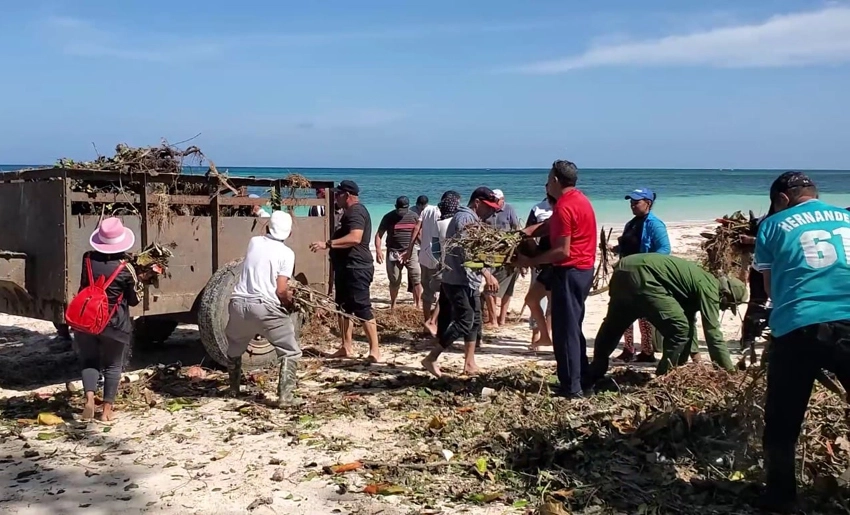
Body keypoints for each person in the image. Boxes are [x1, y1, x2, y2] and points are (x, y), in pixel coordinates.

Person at [752, 172, 850, 512]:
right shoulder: (846, 217)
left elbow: (771, 289)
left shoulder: (772, 225)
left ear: (782, 199)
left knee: (782, 421)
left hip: (799, 325)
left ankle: (782, 500)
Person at [585, 253, 743, 386]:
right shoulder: (710, 288)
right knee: (679, 329)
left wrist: (690, 359)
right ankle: (663, 377)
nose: (723, 309)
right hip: (644, 275)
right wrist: (728, 373)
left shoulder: (697, 279)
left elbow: (689, 323)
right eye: (727, 305)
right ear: (726, 294)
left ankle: (594, 372)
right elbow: (713, 333)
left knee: (613, 326)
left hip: (624, 268)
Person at [516, 161, 597, 398]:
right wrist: (528, 232)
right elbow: (552, 225)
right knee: (572, 327)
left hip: (570, 271)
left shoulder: (564, 206)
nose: (546, 183)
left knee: (565, 332)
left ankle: (572, 388)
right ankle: (583, 380)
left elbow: (562, 251)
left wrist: (531, 260)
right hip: (583, 270)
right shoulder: (579, 199)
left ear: (555, 180)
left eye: (548, 178)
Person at [421, 187, 501, 378]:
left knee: (474, 321)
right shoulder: (465, 218)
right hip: (458, 279)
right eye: (488, 207)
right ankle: (431, 358)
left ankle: (469, 363)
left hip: (469, 280)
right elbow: (467, 252)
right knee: (465, 320)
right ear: (477, 203)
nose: (491, 211)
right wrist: (487, 274)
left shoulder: (472, 218)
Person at [72, 217, 145, 422]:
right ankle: (106, 411)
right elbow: (134, 300)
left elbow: (85, 285)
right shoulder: (125, 268)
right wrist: (141, 280)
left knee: (89, 361)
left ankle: (89, 399)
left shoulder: (87, 259)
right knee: (113, 366)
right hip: (114, 324)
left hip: (87, 320)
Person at [225, 211, 301, 406]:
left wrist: (260, 211)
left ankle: (233, 390)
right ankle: (286, 397)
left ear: (267, 227)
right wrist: (289, 304)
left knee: (235, 348)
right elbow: (281, 290)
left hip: (238, 304)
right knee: (290, 351)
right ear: (289, 233)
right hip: (264, 307)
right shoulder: (287, 253)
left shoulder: (254, 242)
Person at [309, 180, 381, 363]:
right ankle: (346, 346)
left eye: (338, 194)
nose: (335, 197)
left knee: (362, 308)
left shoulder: (356, 211)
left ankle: (375, 351)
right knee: (342, 308)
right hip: (345, 267)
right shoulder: (349, 212)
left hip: (357, 267)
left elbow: (355, 238)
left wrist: (327, 244)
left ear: (347, 195)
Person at [612, 188, 672, 364]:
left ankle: (647, 351)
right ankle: (628, 349)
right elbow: (627, 247)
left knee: (643, 315)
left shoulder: (655, 224)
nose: (632, 205)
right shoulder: (630, 224)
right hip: (626, 275)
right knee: (624, 313)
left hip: (644, 276)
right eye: (631, 202)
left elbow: (664, 250)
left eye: (636, 202)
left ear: (648, 203)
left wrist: (644, 263)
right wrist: (615, 249)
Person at [402, 191, 460, 337]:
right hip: (438, 259)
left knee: (427, 293)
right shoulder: (445, 215)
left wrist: (409, 249)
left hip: (424, 256)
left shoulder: (426, 210)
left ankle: (427, 322)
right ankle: (433, 321)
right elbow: (440, 239)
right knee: (446, 292)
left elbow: (416, 228)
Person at [376, 196, 422, 309]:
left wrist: (425, 247)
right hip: (394, 251)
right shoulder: (388, 217)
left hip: (410, 251)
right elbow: (379, 235)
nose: (402, 212)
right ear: (396, 207)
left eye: (404, 210)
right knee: (394, 280)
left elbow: (419, 234)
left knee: (417, 277)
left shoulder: (414, 216)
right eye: (400, 210)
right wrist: (378, 250)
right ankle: (393, 305)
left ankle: (418, 304)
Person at [484, 189, 521, 327]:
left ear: (502, 199)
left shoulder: (509, 209)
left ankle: (501, 319)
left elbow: (516, 228)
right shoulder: (488, 210)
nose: (494, 203)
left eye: (496, 200)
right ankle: (493, 319)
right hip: (491, 254)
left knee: (507, 289)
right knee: (491, 287)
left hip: (508, 254)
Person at [739, 208, 774, 352]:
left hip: (773, 268)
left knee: (759, 304)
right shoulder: (770, 221)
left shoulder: (769, 219)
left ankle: (750, 339)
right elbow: (771, 242)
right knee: (757, 304)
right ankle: (747, 340)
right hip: (761, 268)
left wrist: (751, 240)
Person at [524, 195, 555, 350]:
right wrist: (533, 256)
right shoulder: (538, 208)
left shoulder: (564, 211)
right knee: (532, 299)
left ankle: (548, 335)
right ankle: (541, 335)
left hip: (556, 264)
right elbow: (528, 235)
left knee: (553, 303)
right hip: (543, 263)